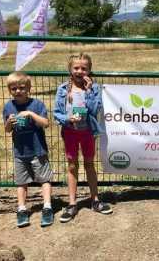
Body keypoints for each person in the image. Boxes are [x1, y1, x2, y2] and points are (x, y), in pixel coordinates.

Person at [54, 53, 113, 223]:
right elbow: (57, 113)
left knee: (89, 164)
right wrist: (67, 119)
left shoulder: (94, 89)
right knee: (72, 165)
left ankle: (95, 199)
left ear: (89, 70)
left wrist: (89, 91)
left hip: (88, 132)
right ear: (70, 69)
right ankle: (72, 204)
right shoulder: (63, 89)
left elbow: (95, 110)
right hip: (70, 132)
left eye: (84, 68)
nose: (80, 71)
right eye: (76, 68)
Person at [3, 71, 53, 228]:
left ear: (29, 88)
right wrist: (9, 122)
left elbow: (45, 123)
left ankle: (47, 207)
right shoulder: (8, 106)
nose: (18, 91)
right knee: (21, 182)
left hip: (38, 150)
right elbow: (7, 130)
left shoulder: (37, 104)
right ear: (9, 90)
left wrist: (31, 114)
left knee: (44, 179)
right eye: (14, 88)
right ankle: (22, 209)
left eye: (22, 88)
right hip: (20, 152)